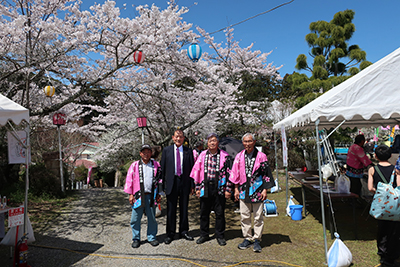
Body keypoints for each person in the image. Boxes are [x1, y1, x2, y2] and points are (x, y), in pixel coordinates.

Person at [229, 133, 275, 253]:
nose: (247, 144)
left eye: (250, 141)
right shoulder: (239, 156)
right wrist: (236, 189)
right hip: (243, 190)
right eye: (245, 141)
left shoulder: (261, 156)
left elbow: (266, 174)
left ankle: (257, 239)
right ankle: (247, 237)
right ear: (242, 143)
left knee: (258, 216)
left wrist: (265, 189)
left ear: (254, 142)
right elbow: (235, 173)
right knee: (244, 216)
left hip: (257, 190)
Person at [190, 133, 232, 246]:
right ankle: (204, 234)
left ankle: (220, 235)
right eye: (210, 141)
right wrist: (197, 188)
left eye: (214, 140)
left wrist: (228, 189)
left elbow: (229, 174)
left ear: (218, 142)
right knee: (204, 212)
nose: (212, 143)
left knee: (219, 213)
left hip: (220, 187)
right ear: (207, 143)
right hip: (205, 186)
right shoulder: (202, 155)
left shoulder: (225, 155)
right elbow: (197, 172)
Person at [124, 144, 162, 248]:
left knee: (152, 217)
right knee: (135, 218)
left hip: (152, 195)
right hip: (138, 196)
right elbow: (129, 180)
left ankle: (152, 237)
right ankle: (136, 238)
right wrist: (131, 194)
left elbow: (160, 180)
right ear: (140, 153)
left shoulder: (156, 164)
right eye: (143, 152)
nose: (146, 154)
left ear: (151, 153)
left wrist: (159, 193)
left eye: (148, 152)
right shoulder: (135, 165)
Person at [367, 145, 400, 267]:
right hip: (394, 205)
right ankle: (393, 254)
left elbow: (370, 188)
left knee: (382, 229)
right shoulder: (395, 170)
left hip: (381, 205)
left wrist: (381, 193)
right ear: (391, 156)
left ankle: (382, 252)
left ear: (375, 156)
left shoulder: (372, 169)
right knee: (394, 230)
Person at [160, 129, 195, 244]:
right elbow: (163, 169)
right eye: (176, 137)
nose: (178, 139)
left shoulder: (188, 151)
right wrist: (162, 186)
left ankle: (184, 231)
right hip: (171, 182)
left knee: (184, 208)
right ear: (173, 138)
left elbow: (192, 170)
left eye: (181, 137)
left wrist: (192, 185)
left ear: (183, 138)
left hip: (184, 182)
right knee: (171, 209)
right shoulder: (166, 151)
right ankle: (170, 233)